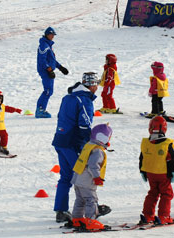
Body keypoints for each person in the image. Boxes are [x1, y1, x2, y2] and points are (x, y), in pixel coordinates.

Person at [51, 72, 99, 223]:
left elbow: (61, 117)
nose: (97, 87)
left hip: (60, 140)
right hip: (72, 143)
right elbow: (84, 123)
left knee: (66, 176)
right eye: (96, 84)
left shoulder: (68, 97)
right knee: (84, 174)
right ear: (91, 85)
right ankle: (92, 209)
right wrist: (90, 142)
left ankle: (61, 210)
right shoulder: (84, 100)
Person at [71, 123, 113, 230]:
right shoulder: (98, 150)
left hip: (77, 179)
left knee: (80, 200)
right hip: (87, 181)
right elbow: (93, 165)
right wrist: (97, 177)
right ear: (103, 138)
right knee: (91, 200)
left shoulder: (89, 145)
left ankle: (77, 219)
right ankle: (91, 221)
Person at [139, 116, 174, 225]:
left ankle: (147, 215)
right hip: (163, 174)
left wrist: (142, 170)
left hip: (150, 173)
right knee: (166, 194)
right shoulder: (166, 143)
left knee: (153, 193)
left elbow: (142, 158)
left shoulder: (146, 143)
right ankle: (164, 216)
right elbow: (171, 160)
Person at [36, 26, 69, 118]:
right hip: (45, 71)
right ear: (47, 35)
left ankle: (41, 109)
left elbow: (52, 60)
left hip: (48, 70)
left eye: (53, 35)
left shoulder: (48, 45)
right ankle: (40, 110)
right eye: (51, 34)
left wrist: (60, 67)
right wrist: (49, 70)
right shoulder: (44, 46)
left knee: (49, 91)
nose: (53, 36)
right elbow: (42, 61)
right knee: (48, 91)